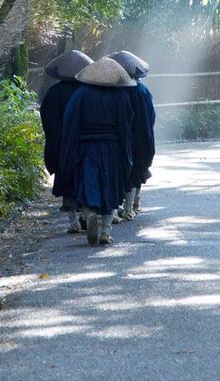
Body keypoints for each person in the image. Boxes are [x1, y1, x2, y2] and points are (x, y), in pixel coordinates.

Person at [58, 57, 135, 246]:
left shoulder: (80, 95)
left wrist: (69, 150)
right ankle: (106, 231)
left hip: (86, 147)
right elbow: (126, 127)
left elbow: (70, 124)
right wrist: (127, 153)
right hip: (112, 148)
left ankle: (89, 212)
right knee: (110, 186)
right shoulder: (121, 97)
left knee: (87, 183)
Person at [39, 50, 93, 232]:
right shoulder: (89, 91)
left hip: (62, 144)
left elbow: (47, 120)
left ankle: (73, 223)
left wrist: (56, 140)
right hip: (85, 143)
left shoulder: (54, 92)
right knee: (86, 178)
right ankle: (86, 213)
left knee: (67, 181)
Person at [106, 50, 155, 220]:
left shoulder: (110, 91)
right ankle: (129, 207)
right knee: (134, 170)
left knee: (116, 171)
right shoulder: (141, 90)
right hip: (137, 136)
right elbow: (148, 117)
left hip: (115, 137)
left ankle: (116, 208)